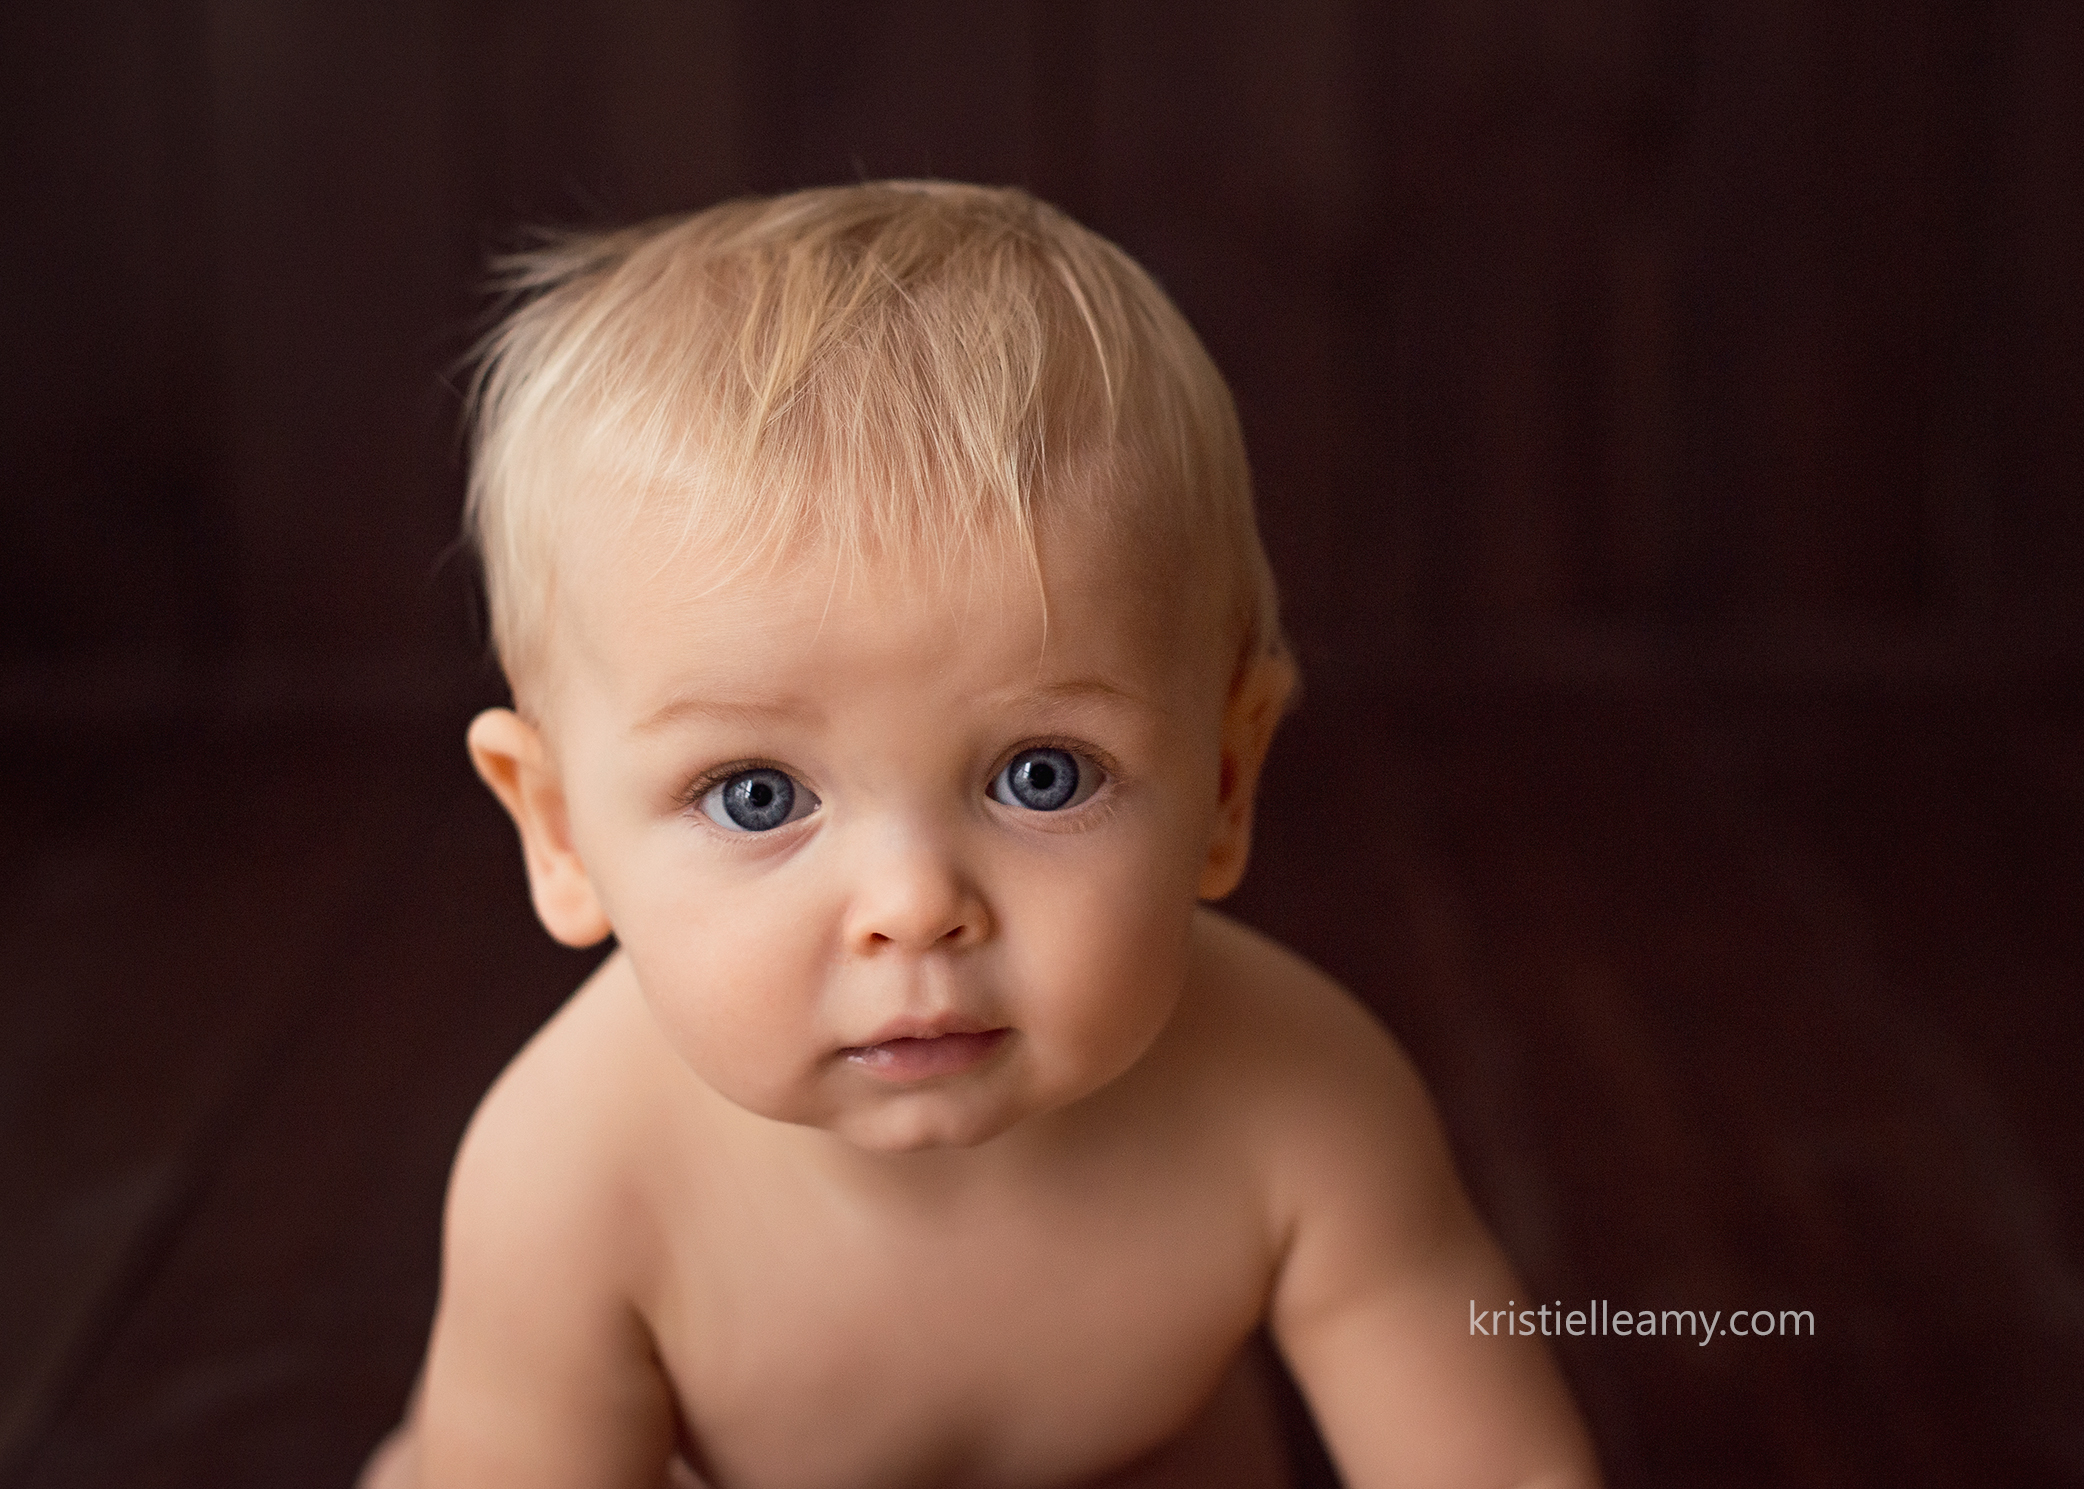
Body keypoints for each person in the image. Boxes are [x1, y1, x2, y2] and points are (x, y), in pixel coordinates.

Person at [361, 181, 1601, 1489]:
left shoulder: (1304, 1106)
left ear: (1226, 785)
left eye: (1043, 773)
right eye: (758, 796)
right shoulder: (571, 1176)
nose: (914, 903)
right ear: (558, 830)